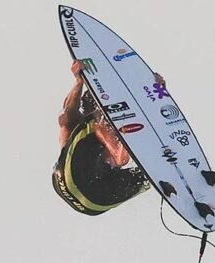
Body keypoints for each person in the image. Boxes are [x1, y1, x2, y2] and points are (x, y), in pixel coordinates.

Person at [52, 61, 162, 216]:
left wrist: (79, 81)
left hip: (87, 200)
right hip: (88, 191)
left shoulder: (77, 131)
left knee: (148, 176)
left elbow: (65, 116)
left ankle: (166, 181)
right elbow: (120, 157)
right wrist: (153, 99)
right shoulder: (94, 123)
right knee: (129, 160)